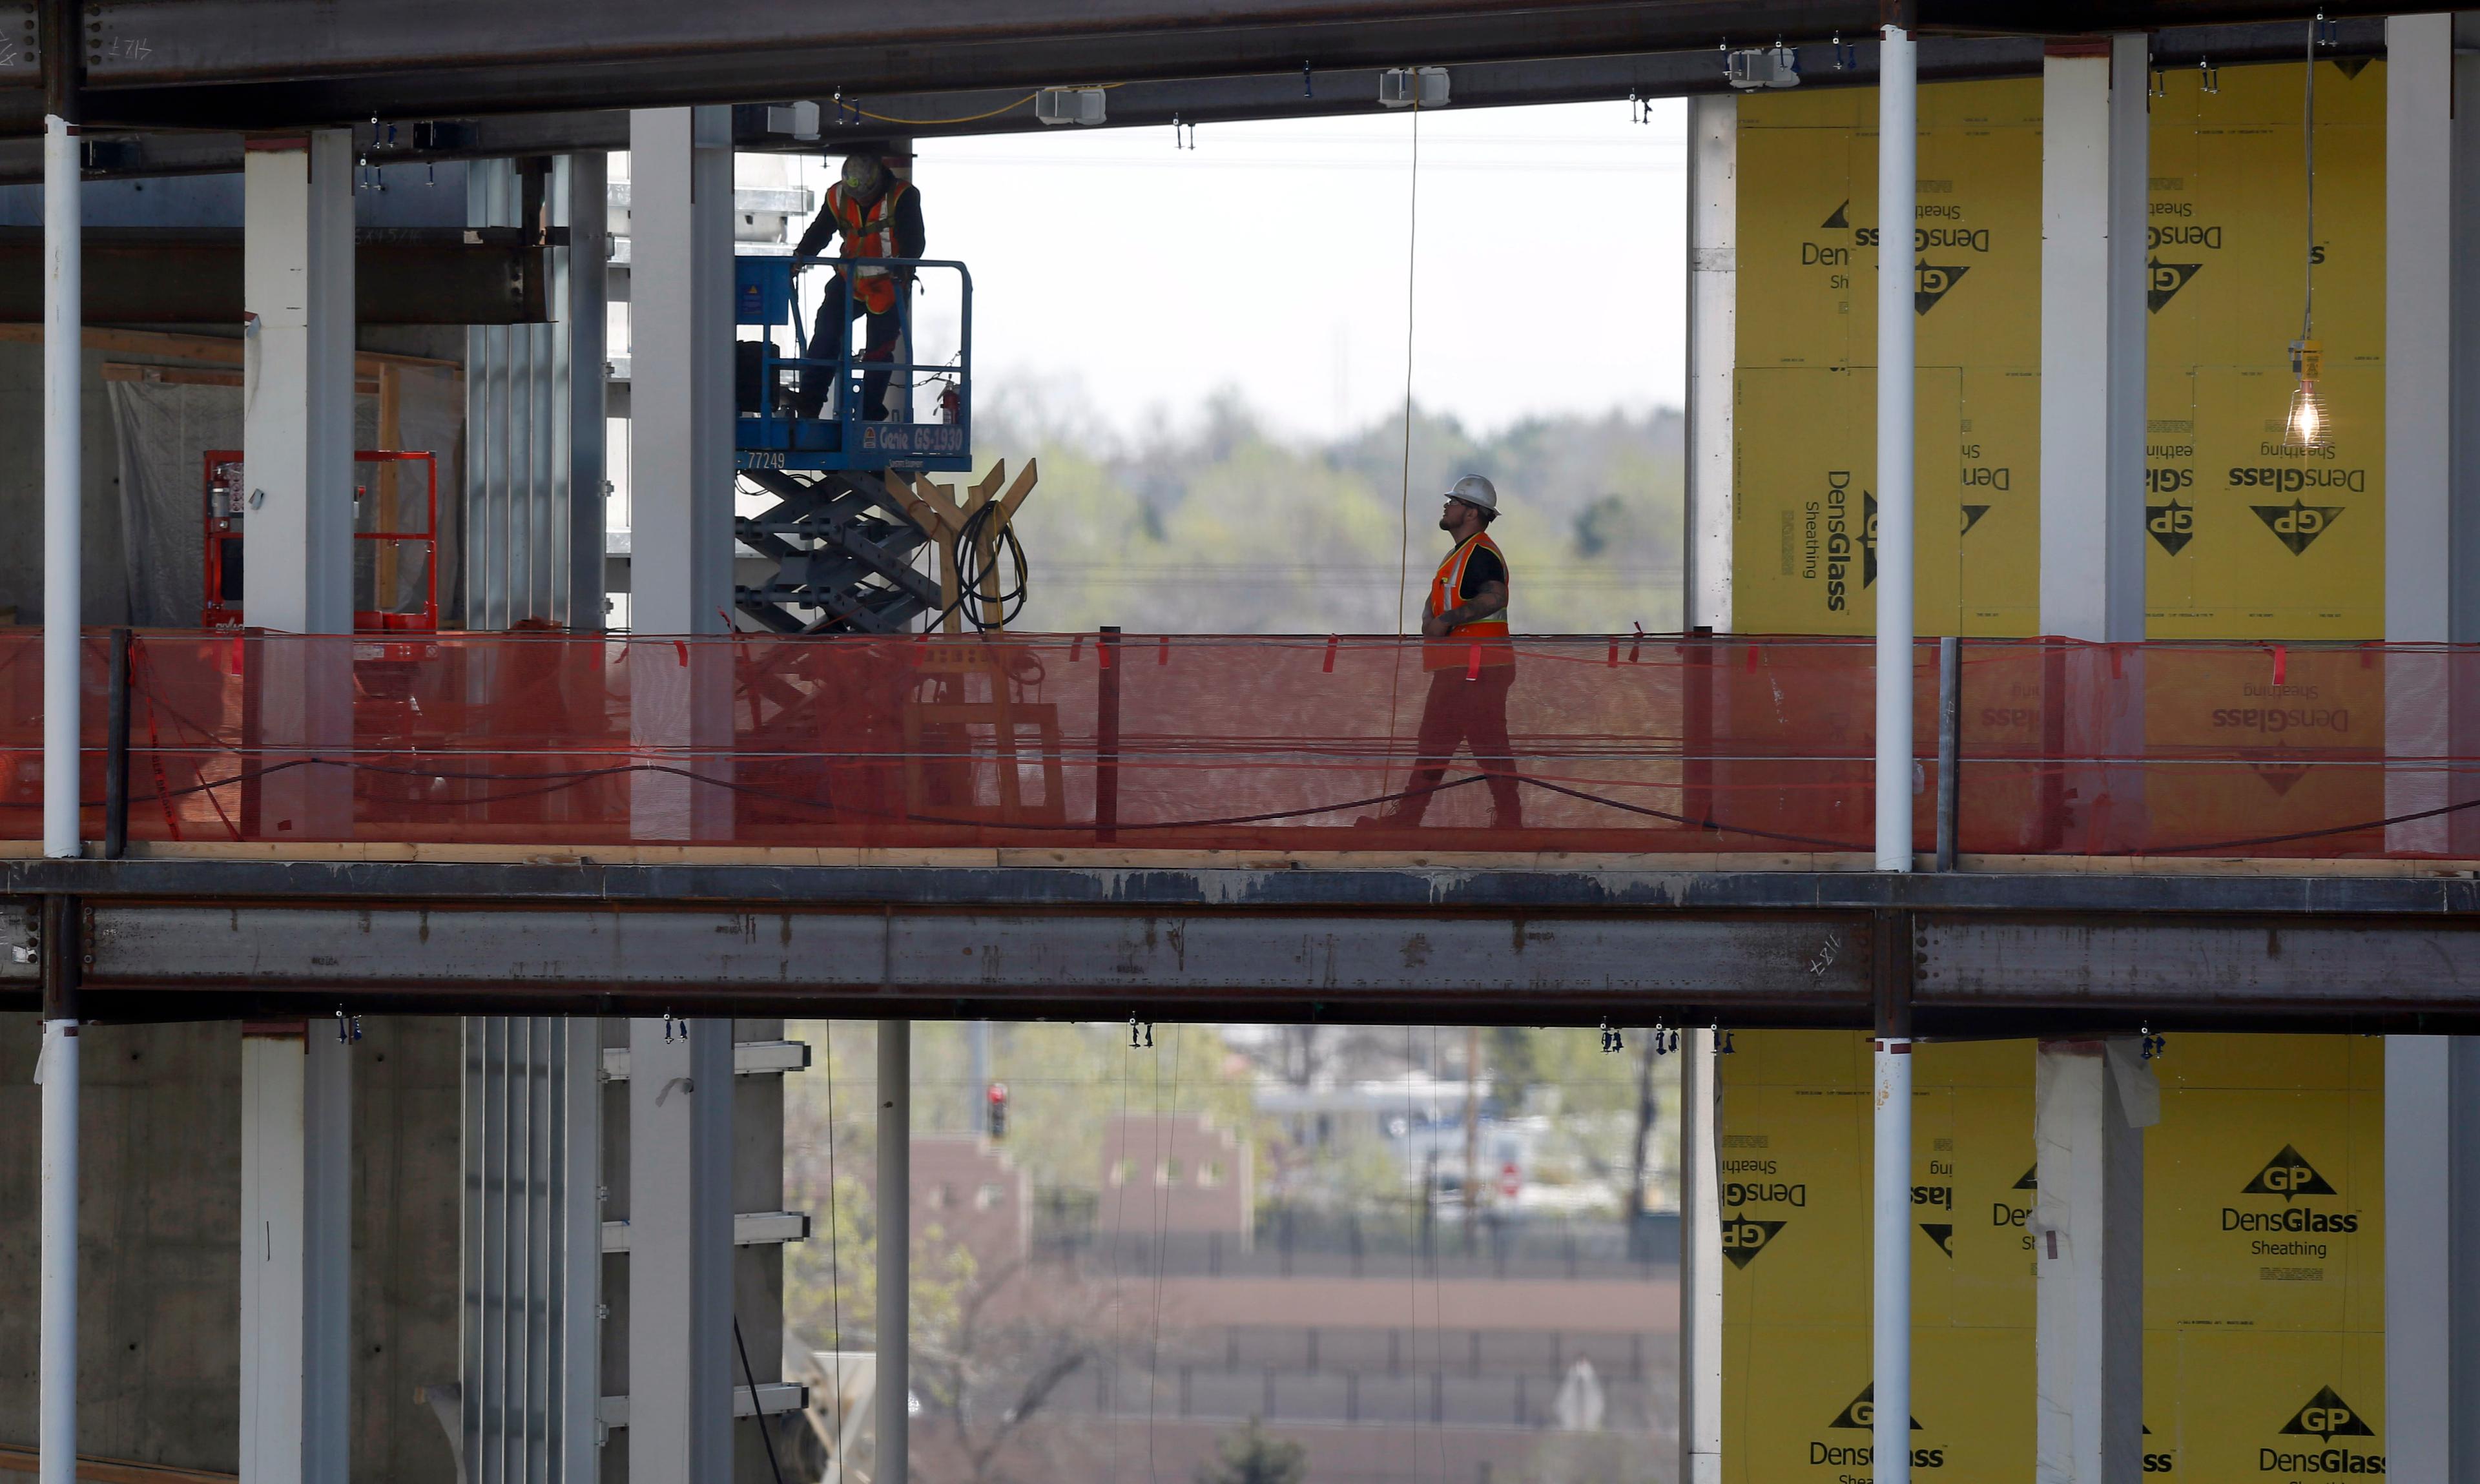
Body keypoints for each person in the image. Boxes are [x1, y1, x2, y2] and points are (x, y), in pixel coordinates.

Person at [1361, 475, 1523, 830]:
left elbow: (1496, 597)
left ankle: (1509, 821)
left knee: (1486, 744)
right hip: (1461, 668)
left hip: (1479, 667)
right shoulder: (1460, 555)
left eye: (1455, 502)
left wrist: (1446, 620)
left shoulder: (1481, 553)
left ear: (1472, 513)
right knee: (1436, 742)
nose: (1447, 505)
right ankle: (1409, 818)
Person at [792, 149, 925, 422]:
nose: (861, 201)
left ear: (878, 184)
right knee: (827, 332)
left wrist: (905, 267)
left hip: (888, 284)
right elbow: (821, 230)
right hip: (849, 279)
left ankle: (869, 413)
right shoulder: (839, 196)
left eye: (865, 197)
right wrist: (801, 255)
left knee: (878, 350)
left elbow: (915, 241)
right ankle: (809, 401)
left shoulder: (902, 196)